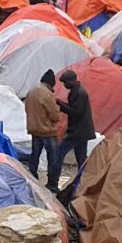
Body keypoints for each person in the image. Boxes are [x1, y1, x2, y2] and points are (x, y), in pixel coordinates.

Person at [55, 70, 96, 198]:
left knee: (59, 153)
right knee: (81, 158)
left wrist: (61, 104)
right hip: (82, 131)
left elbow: (76, 112)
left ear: (71, 80)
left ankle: (53, 182)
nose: (65, 85)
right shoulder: (77, 91)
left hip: (77, 132)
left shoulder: (79, 93)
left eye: (65, 83)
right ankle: (82, 182)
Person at [24, 70, 63, 191]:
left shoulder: (31, 92)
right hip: (47, 131)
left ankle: (32, 178)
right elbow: (54, 116)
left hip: (34, 129)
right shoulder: (46, 94)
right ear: (51, 84)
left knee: (34, 155)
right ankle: (52, 184)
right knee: (53, 158)